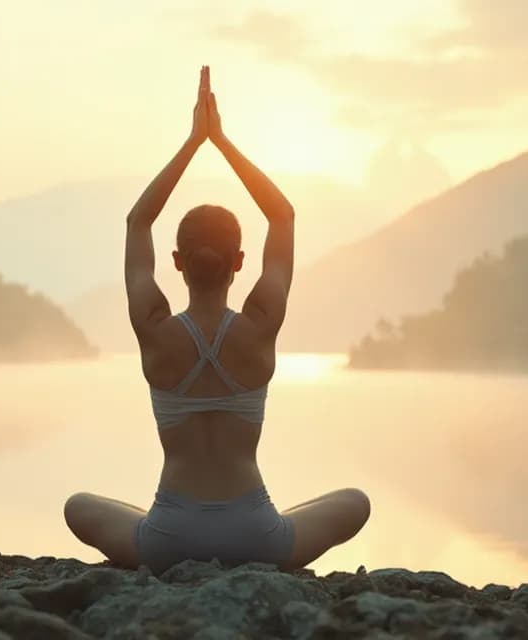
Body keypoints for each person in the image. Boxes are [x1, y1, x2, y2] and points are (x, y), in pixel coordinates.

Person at [63, 67, 370, 574]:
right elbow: (283, 216)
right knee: (355, 500)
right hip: (258, 538)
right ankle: (247, 529)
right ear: (239, 262)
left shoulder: (154, 328)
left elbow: (138, 221)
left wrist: (193, 142)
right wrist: (222, 143)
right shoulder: (260, 323)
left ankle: (182, 531)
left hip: (168, 539)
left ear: (177, 262)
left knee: (77, 505)